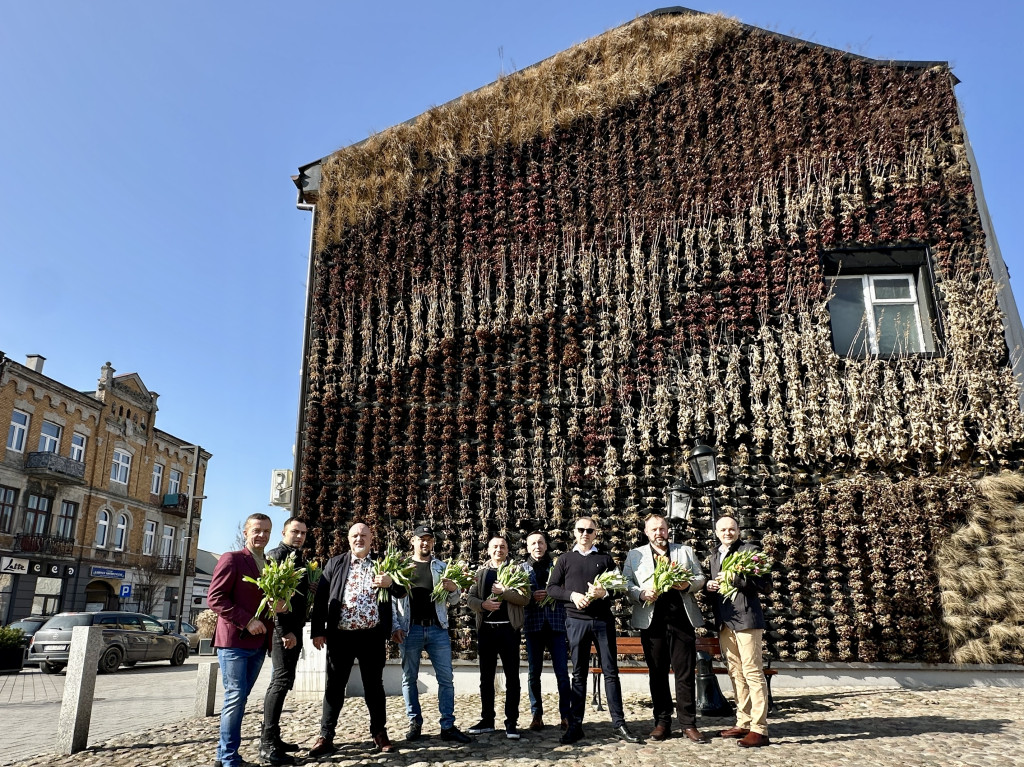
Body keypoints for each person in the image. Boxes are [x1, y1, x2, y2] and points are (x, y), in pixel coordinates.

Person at [308, 522, 406, 758]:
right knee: (334, 686)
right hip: (340, 635)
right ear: (348, 539)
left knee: (374, 686)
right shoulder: (336, 563)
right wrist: (317, 630)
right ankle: (326, 736)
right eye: (354, 535)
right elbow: (321, 597)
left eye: (363, 535)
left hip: (371, 635)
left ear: (372, 539)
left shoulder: (383, 562)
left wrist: (390, 583)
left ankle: (379, 733)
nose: (359, 539)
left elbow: (403, 591)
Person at [546, 517, 643, 745]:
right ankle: (576, 725)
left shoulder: (606, 558)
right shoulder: (565, 559)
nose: (585, 533)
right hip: (576, 621)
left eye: (590, 530)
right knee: (578, 674)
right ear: (574, 532)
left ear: (595, 533)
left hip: (602, 621)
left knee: (611, 672)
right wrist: (572, 595)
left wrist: (605, 594)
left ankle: (619, 723)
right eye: (581, 529)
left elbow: (620, 589)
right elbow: (551, 588)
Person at [622, 514, 709, 744]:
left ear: (667, 530)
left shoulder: (685, 551)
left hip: (682, 621)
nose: (658, 533)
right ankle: (662, 722)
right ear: (646, 532)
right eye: (654, 529)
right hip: (652, 623)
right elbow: (626, 583)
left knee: (685, 673)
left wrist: (688, 585)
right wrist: (640, 594)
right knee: (657, 674)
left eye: (662, 528)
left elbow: (701, 577)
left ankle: (688, 724)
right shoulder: (635, 555)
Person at [391, 524, 473, 744]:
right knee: (409, 678)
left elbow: (454, 601)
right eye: (421, 539)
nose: (425, 543)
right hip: (411, 629)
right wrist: (394, 626)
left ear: (433, 543)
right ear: (413, 541)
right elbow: (391, 600)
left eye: (429, 539)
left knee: (446, 679)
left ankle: (447, 725)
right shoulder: (402, 567)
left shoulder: (441, 567)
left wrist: (454, 589)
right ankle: (414, 722)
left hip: (438, 629)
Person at [207, 513, 276, 767]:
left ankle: (225, 755)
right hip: (234, 641)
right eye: (257, 530)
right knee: (235, 697)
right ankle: (228, 759)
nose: (262, 535)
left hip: (258, 644)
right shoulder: (232, 559)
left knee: (241, 698)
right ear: (246, 532)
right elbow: (215, 598)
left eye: (267, 531)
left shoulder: (269, 564)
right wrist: (247, 620)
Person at [705, 515, 771, 748]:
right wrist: (708, 586)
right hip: (725, 621)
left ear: (739, 530)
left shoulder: (751, 549)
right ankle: (743, 721)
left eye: (731, 529)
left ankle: (760, 729)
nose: (727, 533)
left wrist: (735, 578)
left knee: (753, 672)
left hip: (747, 620)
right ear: (716, 532)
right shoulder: (714, 556)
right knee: (735, 672)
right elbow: (716, 589)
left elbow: (765, 584)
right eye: (722, 529)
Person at [259, 516, 311, 765]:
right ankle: (267, 743)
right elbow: (274, 601)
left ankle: (274, 737)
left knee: (285, 680)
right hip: (284, 631)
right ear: (284, 532)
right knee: (279, 681)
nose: (299, 536)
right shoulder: (277, 556)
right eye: (295, 532)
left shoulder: (298, 557)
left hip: (295, 629)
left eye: (302, 533)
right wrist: (284, 631)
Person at [466, 536, 529, 739]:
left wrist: (505, 592)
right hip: (486, 631)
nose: (498, 549)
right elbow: (470, 598)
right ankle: (487, 720)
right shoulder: (481, 572)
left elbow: (525, 598)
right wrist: (483, 605)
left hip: (509, 631)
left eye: (502, 546)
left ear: (507, 549)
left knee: (512, 678)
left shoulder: (517, 571)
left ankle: (511, 722)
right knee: (486, 678)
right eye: (495, 546)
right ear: (488, 550)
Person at [521, 530, 571, 731]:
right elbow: (516, 595)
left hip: (557, 624)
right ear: (527, 547)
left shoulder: (558, 567)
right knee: (534, 673)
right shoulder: (521, 569)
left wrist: (553, 594)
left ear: (546, 545)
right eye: (533, 543)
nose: (537, 546)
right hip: (533, 625)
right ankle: (536, 715)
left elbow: (567, 591)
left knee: (562, 673)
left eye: (540, 542)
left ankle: (565, 715)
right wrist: (532, 596)